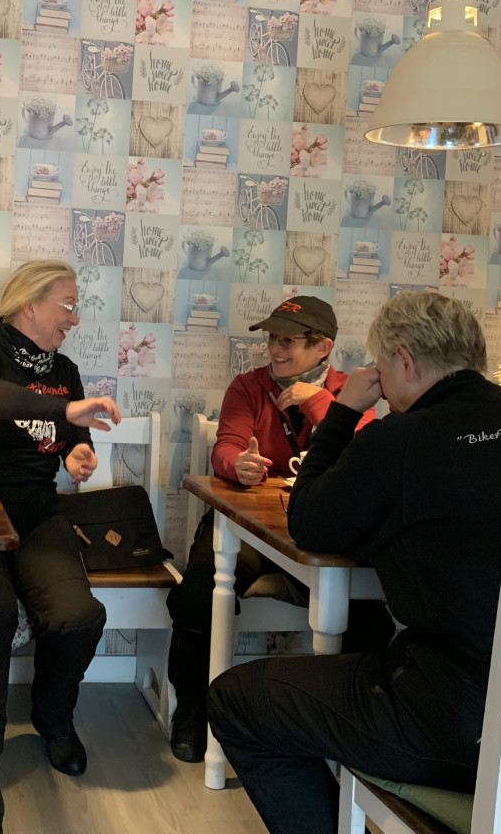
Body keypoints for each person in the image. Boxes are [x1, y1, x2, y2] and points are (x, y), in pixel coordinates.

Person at [206, 291, 501, 834]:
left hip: (462, 728)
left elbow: (309, 521)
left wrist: (344, 411)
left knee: (238, 699)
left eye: (380, 365)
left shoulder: (401, 439)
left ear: (404, 360)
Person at [165, 295, 379, 763]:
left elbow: (367, 456)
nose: (275, 350)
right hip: (251, 528)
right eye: (272, 339)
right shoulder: (248, 386)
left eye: (288, 341)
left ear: (322, 347)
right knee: (197, 591)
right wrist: (237, 465)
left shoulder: (352, 390)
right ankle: (193, 709)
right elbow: (226, 446)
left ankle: (352, 727)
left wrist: (319, 403)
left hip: (323, 531)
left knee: (371, 610)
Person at [0, 260, 120, 780]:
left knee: (78, 616)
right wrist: (64, 413)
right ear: (29, 304)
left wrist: (79, 453)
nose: (75, 319)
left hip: (37, 514)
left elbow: (76, 436)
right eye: (68, 305)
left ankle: (53, 719)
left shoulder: (64, 372)